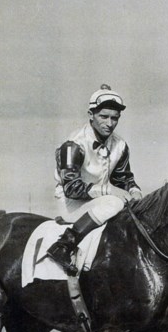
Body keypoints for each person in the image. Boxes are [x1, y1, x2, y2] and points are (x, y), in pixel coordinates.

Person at [48, 85, 143, 273]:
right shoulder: (74, 144)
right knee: (115, 204)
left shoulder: (120, 145)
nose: (109, 123)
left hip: (98, 201)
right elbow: (72, 188)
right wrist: (109, 190)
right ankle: (64, 245)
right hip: (71, 203)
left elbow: (124, 178)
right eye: (104, 116)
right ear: (91, 114)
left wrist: (135, 191)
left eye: (114, 118)